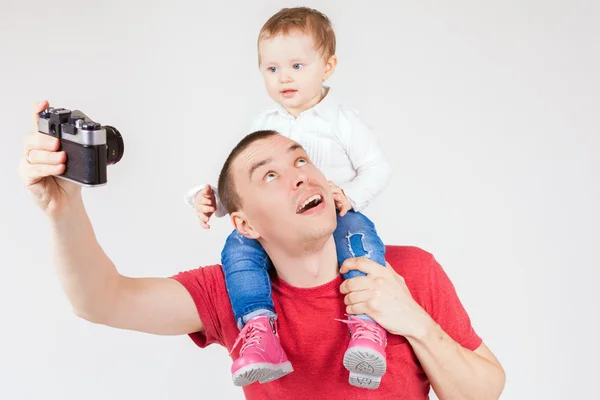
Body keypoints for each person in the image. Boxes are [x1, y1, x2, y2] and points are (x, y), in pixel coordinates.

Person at [19, 105, 505, 399]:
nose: (300, 174)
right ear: (244, 224)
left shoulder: (409, 271)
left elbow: (485, 391)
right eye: (269, 174)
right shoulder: (230, 290)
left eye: (301, 159)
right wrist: (63, 210)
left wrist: (414, 321)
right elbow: (100, 300)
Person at [183, 7, 393, 388]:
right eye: (272, 69)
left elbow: (378, 168)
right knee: (238, 247)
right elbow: (247, 185)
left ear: (328, 66)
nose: (284, 78)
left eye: (297, 65)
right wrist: (216, 203)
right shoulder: (264, 125)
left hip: (335, 214)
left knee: (360, 241)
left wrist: (349, 196)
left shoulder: (343, 122)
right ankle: (259, 330)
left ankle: (367, 329)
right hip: (281, 227)